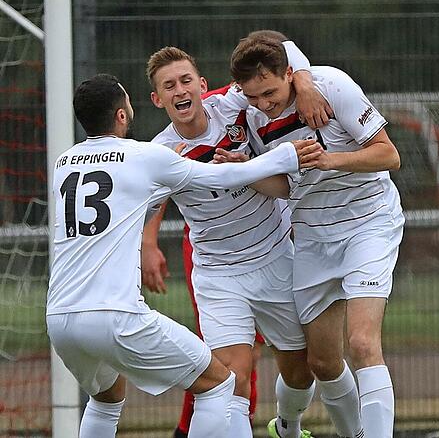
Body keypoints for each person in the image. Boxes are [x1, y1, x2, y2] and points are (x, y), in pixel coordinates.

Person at [46, 74, 321, 438]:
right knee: (219, 384)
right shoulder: (145, 154)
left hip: (61, 319)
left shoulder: (64, 163)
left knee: (107, 397)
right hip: (116, 315)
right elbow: (217, 178)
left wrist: (159, 187)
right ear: (122, 115)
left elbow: (128, 211)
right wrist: (287, 155)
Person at [220, 33, 405, 438]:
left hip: (367, 224)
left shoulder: (331, 85)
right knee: (321, 364)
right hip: (312, 237)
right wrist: (246, 171)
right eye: (253, 98)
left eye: (269, 93)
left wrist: (330, 160)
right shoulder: (252, 118)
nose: (263, 105)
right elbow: (288, 187)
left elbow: (388, 155)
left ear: (290, 73)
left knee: (361, 343)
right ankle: (307, 429)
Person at [142, 42, 329, 438]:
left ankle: (289, 427)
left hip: (276, 257)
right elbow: (142, 204)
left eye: (186, 80)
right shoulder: (159, 152)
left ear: (202, 84)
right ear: (158, 99)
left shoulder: (231, 104)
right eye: (169, 86)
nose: (180, 91)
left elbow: (285, 52)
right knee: (232, 380)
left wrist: (307, 83)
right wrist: (146, 243)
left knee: (302, 370)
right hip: (219, 275)